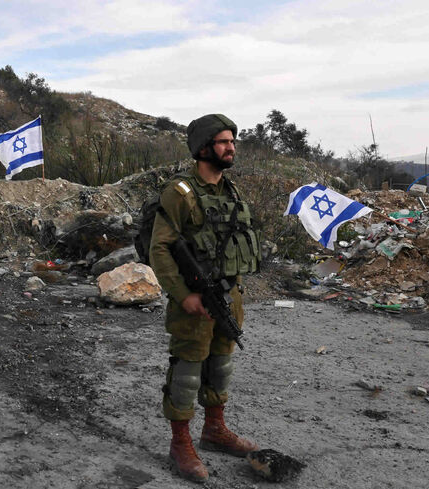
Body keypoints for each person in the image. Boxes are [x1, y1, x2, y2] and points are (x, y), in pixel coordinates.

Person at [149, 114, 262, 483]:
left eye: (233, 141)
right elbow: (161, 249)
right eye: (223, 142)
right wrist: (183, 297)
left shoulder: (230, 190)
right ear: (203, 148)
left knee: (221, 366)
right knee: (187, 372)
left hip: (229, 296)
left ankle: (215, 430)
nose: (231, 147)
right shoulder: (179, 192)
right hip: (195, 300)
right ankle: (180, 444)